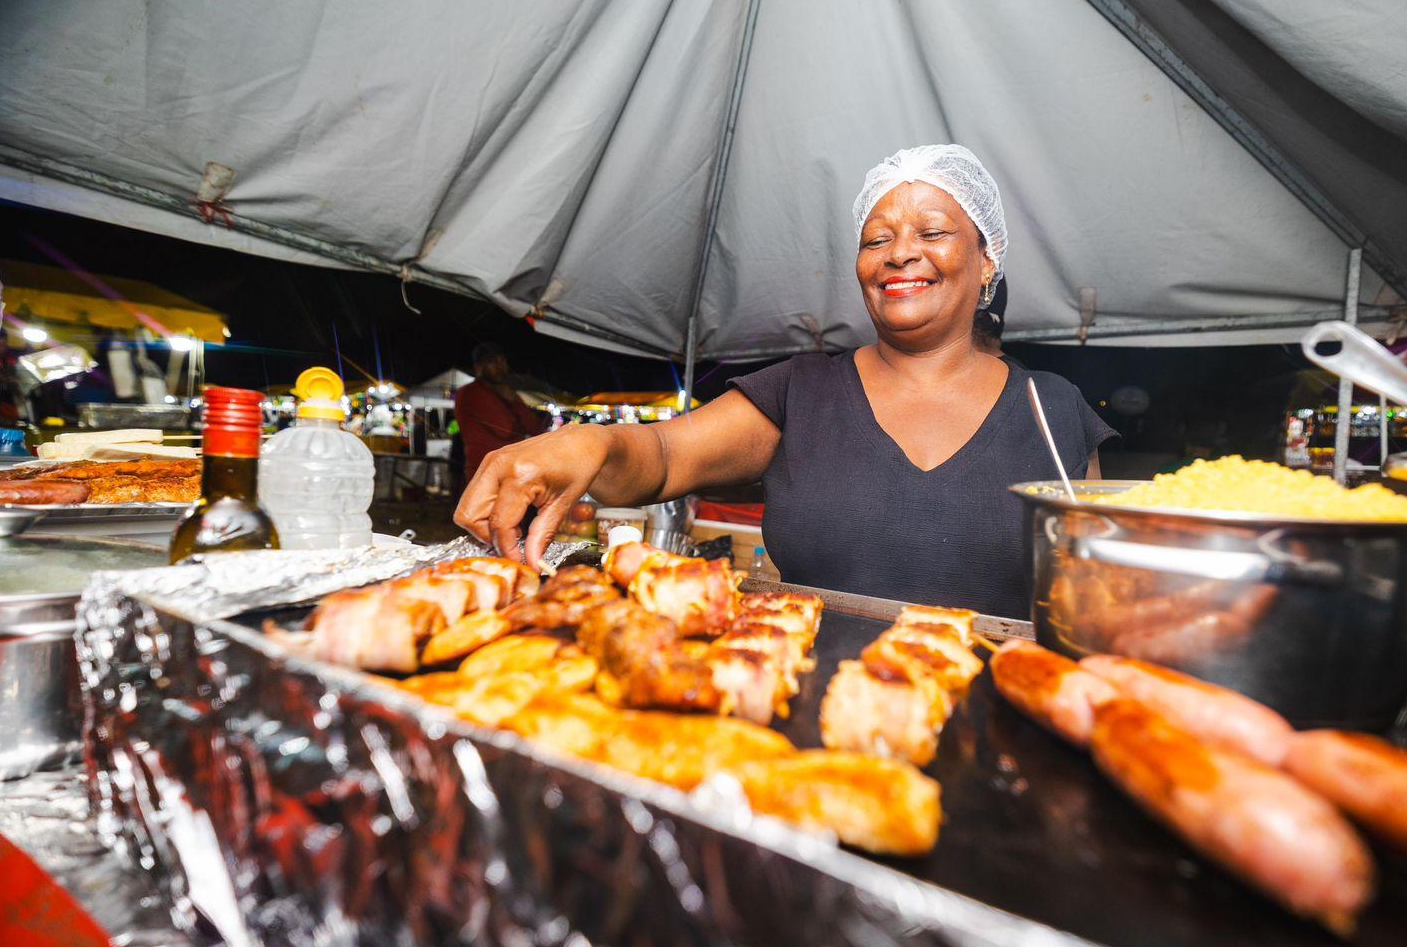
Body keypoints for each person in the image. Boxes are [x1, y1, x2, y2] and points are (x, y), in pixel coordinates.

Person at [457, 144, 1115, 617]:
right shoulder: (802, 391)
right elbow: (662, 457)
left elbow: (1098, 594)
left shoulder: (1054, 410)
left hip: (992, 756)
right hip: (794, 731)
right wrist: (585, 444)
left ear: (986, 259)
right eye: (876, 239)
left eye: (933, 232)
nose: (899, 253)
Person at [452, 342, 545, 482]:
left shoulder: (507, 393)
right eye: (492, 361)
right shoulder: (471, 393)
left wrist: (514, 402)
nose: (500, 366)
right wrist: (515, 408)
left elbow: (536, 429)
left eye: (502, 361)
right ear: (479, 368)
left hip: (511, 473)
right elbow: (506, 429)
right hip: (485, 474)